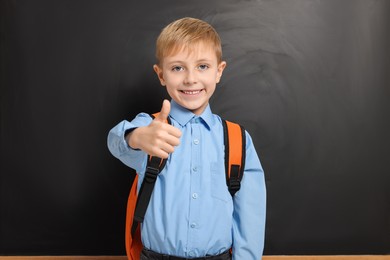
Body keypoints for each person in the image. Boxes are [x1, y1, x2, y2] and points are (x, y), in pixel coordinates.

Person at [107, 17, 266, 260]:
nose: (190, 78)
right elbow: (115, 140)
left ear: (219, 71)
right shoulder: (152, 126)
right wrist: (137, 137)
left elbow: (250, 216)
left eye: (202, 66)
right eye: (177, 68)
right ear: (161, 75)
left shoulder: (237, 139)